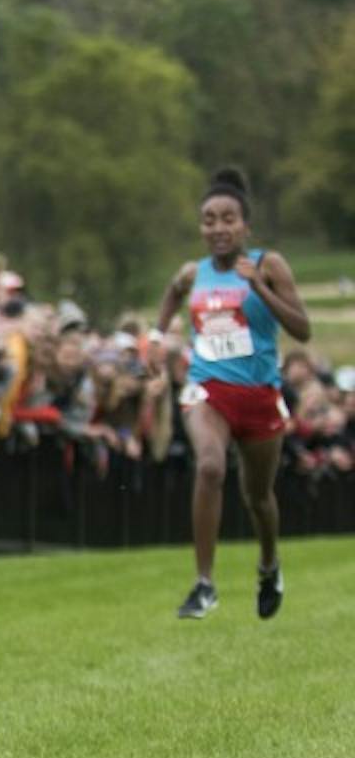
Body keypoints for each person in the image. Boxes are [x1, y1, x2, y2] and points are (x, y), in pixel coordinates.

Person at [154, 168, 311, 620]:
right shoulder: (192, 273)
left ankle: (269, 565)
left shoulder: (268, 265)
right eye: (208, 219)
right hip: (208, 388)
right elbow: (170, 295)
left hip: (260, 396)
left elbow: (302, 329)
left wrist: (259, 287)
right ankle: (204, 584)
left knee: (259, 498)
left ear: (245, 226)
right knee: (208, 466)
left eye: (227, 218)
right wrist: (152, 337)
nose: (217, 228)